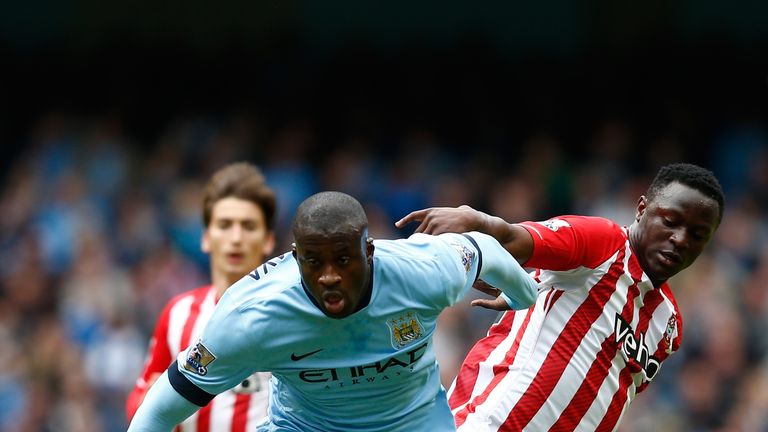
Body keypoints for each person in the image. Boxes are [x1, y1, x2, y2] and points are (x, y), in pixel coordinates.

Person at [127, 191, 540, 432]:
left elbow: (483, 250)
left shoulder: (422, 270)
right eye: (313, 262)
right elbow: (162, 406)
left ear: (370, 251)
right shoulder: (251, 314)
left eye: (344, 260)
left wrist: (525, 297)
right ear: (295, 256)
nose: (328, 276)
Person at [395, 162, 724, 431]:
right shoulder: (604, 244)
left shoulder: (669, 325)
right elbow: (514, 238)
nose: (680, 240)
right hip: (494, 422)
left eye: (697, 235)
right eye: (670, 221)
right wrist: (476, 220)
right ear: (642, 209)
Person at [126, 162, 277, 431]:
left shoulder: (287, 315)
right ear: (206, 238)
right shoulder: (178, 314)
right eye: (225, 225)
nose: (236, 237)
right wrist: (150, 401)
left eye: (249, 226)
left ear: (267, 240)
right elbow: (139, 401)